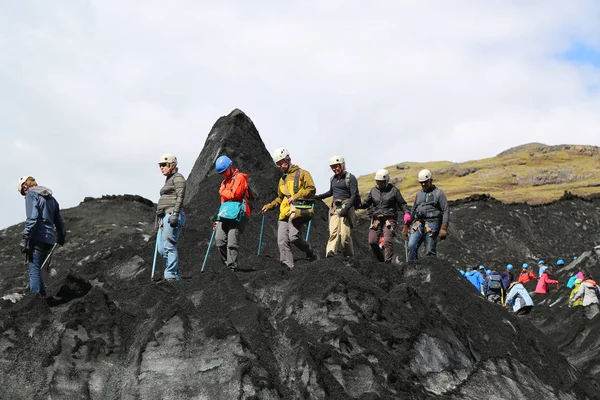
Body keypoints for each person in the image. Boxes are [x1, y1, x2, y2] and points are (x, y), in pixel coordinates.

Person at [261, 147, 317, 269]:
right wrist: (269, 206)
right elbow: (280, 199)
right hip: (284, 214)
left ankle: (309, 251)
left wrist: (296, 196)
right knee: (282, 241)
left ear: (288, 159)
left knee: (294, 237)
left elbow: (311, 189)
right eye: (278, 165)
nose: (280, 166)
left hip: (297, 211)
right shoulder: (282, 180)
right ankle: (287, 266)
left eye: (281, 163)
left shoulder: (302, 173)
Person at [17, 176, 66, 298]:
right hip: (49, 240)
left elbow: (32, 217)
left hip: (37, 238)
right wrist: (61, 236)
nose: (25, 194)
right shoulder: (52, 199)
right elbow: (59, 221)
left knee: (34, 270)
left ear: (25, 186)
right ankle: (43, 299)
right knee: (40, 270)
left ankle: (35, 302)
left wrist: (25, 236)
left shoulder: (31, 195)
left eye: (23, 192)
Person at [358, 169, 410, 263]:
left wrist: (406, 212)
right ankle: (381, 261)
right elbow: (367, 202)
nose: (380, 184)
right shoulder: (373, 191)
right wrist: (358, 205)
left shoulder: (394, 191)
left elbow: (402, 203)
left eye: (382, 182)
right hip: (376, 220)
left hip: (389, 219)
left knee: (387, 241)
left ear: (387, 181)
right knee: (372, 241)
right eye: (378, 182)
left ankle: (387, 263)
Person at [314, 155, 359, 258]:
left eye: (336, 166)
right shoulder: (333, 179)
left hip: (346, 207)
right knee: (333, 232)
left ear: (342, 165)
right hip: (335, 208)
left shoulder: (350, 178)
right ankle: (330, 254)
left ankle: (348, 256)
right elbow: (331, 192)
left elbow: (354, 194)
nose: (334, 169)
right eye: (332, 167)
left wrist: (346, 209)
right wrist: (318, 197)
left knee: (344, 235)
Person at [214, 155, 252, 271]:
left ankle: (232, 267)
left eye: (224, 171)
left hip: (238, 214)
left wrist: (222, 191)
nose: (224, 174)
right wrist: (218, 218)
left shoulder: (240, 178)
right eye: (221, 173)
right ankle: (227, 264)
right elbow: (224, 202)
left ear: (230, 166)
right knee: (219, 240)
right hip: (225, 214)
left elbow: (235, 194)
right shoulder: (224, 183)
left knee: (232, 242)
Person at [404, 169, 449, 261]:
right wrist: (406, 225)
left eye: (425, 182)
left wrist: (443, 228)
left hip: (433, 223)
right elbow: (413, 210)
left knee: (429, 250)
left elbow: (446, 210)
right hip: (418, 223)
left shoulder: (439, 193)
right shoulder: (419, 194)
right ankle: (412, 269)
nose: (423, 184)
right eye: (421, 183)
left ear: (431, 180)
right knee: (411, 245)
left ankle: (431, 273)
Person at [156, 153, 186, 280]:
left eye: (163, 165)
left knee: (169, 246)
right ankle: (175, 273)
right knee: (161, 249)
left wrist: (175, 213)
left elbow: (180, 195)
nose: (161, 168)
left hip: (172, 214)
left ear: (171, 165)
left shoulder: (178, 177)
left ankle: (171, 275)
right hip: (164, 217)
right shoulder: (169, 179)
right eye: (160, 165)